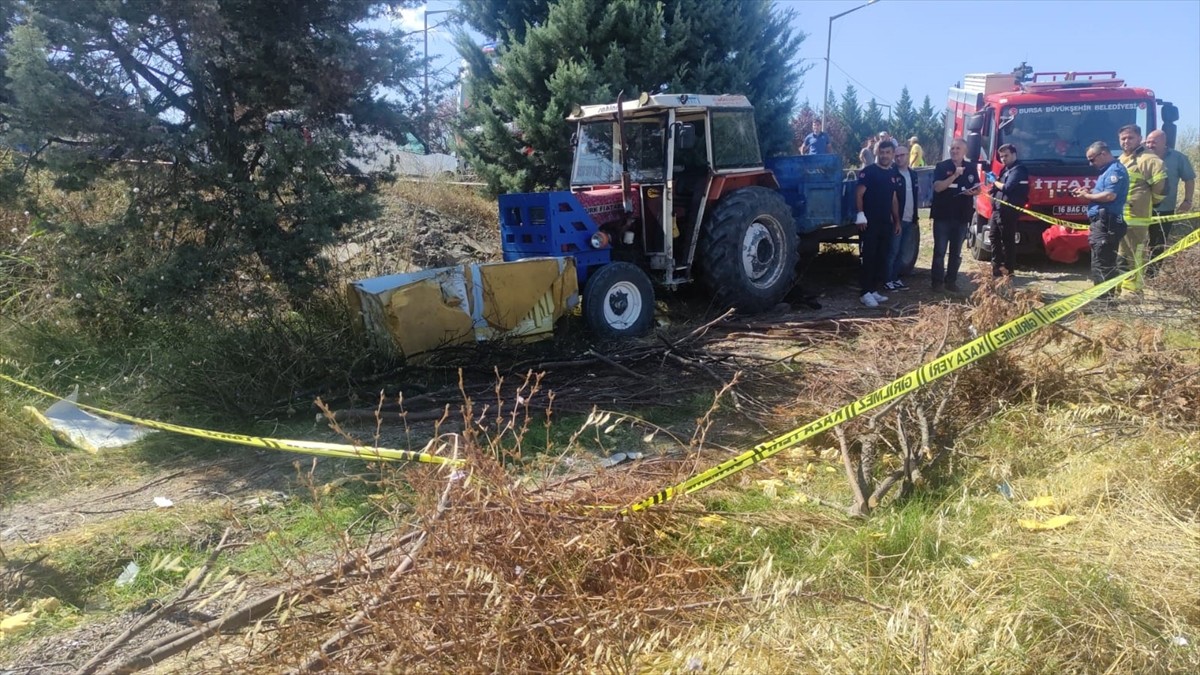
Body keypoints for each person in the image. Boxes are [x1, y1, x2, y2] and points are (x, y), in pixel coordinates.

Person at [1116, 124, 1166, 292]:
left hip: (1136, 217)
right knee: (1121, 254)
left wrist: (1152, 202)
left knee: (1134, 254)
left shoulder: (1148, 159)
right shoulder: (1123, 159)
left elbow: (1162, 186)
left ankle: (1133, 292)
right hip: (1120, 216)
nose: (1126, 141)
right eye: (1123, 138)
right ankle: (1121, 287)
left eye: (1130, 137)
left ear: (1139, 138)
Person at [1073, 141, 1128, 293]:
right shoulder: (1107, 171)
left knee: (1102, 263)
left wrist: (1087, 195)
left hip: (1106, 223)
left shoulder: (1114, 171)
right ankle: (1104, 298)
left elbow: (1110, 195)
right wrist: (1088, 191)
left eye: (1092, 159)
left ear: (1103, 154)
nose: (1091, 164)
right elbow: (1104, 192)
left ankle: (1103, 301)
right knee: (1101, 260)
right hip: (1103, 222)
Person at [854, 139, 901, 308]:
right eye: (882, 152)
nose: (885, 155)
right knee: (869, 257)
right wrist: (860, 215)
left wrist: (896, 221)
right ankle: (864, 293)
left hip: (885, 224)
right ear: (877, 153)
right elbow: (859, 194)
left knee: (881, 257)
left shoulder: (892, 174)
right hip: (869, 224)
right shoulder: (869, 172)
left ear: (893, 155)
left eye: (888, 152)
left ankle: (873, 290)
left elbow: (893, 199)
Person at [930, 137, 981, 292]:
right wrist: (954, 176)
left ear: (965, 151)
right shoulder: (941, 166)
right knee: (939, 251)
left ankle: (951, 281)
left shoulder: (971, 167)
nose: (954, 151)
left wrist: (973, 191)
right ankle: (937, 283)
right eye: (952, 148)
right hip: (943, 216)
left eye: (958, 148)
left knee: (956, 252)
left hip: (961, 216)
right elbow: (938, 187)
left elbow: (978, 188)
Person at [1144, 129, 1196, 269]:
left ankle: (1152, 275)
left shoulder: (1178, 158)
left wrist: (1187, 200)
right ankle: (1134, 273)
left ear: (1164, 142)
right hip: (1139, 208)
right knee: (1136, 243)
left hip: (1164, 209)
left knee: (1158, 243)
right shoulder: (1140, 156)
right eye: (1147, 141)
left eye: (1153, 142)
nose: (1149, 145)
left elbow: (1189, 179)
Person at [987, 143, 1029, 277]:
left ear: (1014, 154)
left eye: (1006, 155)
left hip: (1008, 210)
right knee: (993, 236)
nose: (1003, 159)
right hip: (998, 209)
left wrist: (994, 181)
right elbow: (997, 187)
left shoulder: (1019, 169)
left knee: (1007, 240)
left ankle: (1009, 269)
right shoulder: (1005, 169)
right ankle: (996, 267)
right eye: (1001, 156)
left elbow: (1007, 187)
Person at [885, 143, 919, 292]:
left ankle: (895, 278)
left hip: (910, 219)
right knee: (892, 251)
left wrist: (915, 218)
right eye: (896, 156)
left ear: (908, 155)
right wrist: (894, 218)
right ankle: (887, 280)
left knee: (903, 252)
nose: (899, 158)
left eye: (902, 155)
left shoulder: (913, 174)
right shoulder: (891, 174)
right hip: (896, 221)